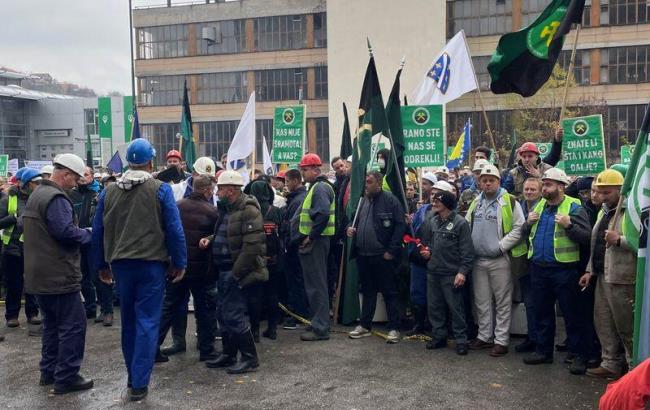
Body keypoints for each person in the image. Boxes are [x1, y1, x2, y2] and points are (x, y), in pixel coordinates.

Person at [92, 139, 187, 401]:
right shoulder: (160, 189)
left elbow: (98, 230)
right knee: (148, 321)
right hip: (151, 265)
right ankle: (139, 383)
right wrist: (179, 262)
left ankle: (133, 376)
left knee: (130, 323)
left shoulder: (107, 192)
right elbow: (174, 229)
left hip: (121, 265)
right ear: (149, 162)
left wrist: (100, 264)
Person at [23, 153, 93, 394]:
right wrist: (88, 234)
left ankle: (49, 372)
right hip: (59, 275)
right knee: (74, 325)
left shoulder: (37, 195)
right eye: (74, 179)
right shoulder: (56, 198)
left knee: (52, 326)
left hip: (38, 274)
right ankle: (67, 377)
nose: (76, 184)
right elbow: (66, 232)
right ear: (65, 175)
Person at [522, 168, 592, 375]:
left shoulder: (574, 207)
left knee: (572, 315)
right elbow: (527, 233)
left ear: (561, 186)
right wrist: (527, 223)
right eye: (544, 184)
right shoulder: (540, 205)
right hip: (539, 269)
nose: (544, 188)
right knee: (542, 312)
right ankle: (544, 351)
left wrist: (569, 226)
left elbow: (587, 238)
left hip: (565, 270)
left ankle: (579, 355)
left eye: (549, 184)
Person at [202, 170, 267, 374]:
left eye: (220, 188)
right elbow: (227, 234)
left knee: (233, 314)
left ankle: (249, 358)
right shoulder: (227, 209)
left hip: (235, 272)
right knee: (223, 313)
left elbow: (252, 247)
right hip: (224, 271)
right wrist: (211, 240)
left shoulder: (248, 210)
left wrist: (236, 274)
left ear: (230, 190)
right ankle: (229, 354)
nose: (216, 191)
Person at [156, 175, 219, 363]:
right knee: (205, 310)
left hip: (177, 267)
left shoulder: (177, 206)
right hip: (202, 270)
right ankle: (206, 350)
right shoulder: (213, 212)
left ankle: (152, 347)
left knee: (168, 308)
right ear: (207, 190)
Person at [466, 165, 526, 357]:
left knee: (502, 301)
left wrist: (501, 246)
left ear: (498, 181)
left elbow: (519, 228)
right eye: (484, 180)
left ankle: (501, 340)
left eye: (491, 180)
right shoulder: (476, 201)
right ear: (479, 183)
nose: (488, 183)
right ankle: (484, 336)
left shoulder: (510, 201)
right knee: (481, 301)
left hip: (500, 259)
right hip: (478, 260)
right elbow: (467, 225)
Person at [582, 169, 636, 379]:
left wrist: (620, 240)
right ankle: (610, 362)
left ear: (620, 190)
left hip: (623, 277)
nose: (602, 197)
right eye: (600, 192)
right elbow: (595, 244)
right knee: (603, 321)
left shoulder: (631, 212)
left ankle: (633, 368)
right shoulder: (603, 212)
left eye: (607, 192)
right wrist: (589, 269)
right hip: (602, 275)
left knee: (626, 325)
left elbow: (643, 244)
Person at [346, 171, 406, 344]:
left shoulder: (390, 201)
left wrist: (391, 251)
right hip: (363, 254)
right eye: (365, 182)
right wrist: (350, 228)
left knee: (389, 291)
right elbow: (354, 221)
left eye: (369, 182)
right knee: (368, 291)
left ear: (378, 183)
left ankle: (394, 328)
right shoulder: (362, 201)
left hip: (382, 255)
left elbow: (399, 226)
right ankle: (365, 325)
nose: (366, 185)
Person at [419, 190, 474, 355]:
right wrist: (428, 251)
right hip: (434, 271)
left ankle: (461, 340)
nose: (434, 203)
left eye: (438, 201)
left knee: (456, 308)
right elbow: (429, 243)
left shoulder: (460, 223)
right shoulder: (433, 221)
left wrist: (462, 272)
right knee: (435, 307)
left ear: (447, 204)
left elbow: (467, 252)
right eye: (434, 201)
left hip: (451, 273)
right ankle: (439, 336)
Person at [294, 153, 335, 341]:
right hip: (317, 241)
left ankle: (320, 328)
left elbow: (323, 214)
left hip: (316, 243)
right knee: (315, 285)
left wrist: (310, 237)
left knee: (316, 285)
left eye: (304, 169)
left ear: (316, 170)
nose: (302, 173)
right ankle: (319, 322)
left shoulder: (319, 188)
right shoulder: (318, 187)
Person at [0, 168, 41, 329]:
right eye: (35, 183)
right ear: (26, 183)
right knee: (14, 283)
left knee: (33, 282)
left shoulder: (37, 199)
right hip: (12, 247)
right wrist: (13, 219)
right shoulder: (7, 199)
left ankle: (33, 313)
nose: (37, 186)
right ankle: (12, 316)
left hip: (32, 247)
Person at [246, 179, 284, 340]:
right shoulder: (276, 211)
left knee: (255, 295)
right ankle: (272, 329)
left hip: (255, 258)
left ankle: (254, 331)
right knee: (272, 294)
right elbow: (282, 232)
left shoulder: (248, 210)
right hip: (274, 259)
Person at [68, 167, 107, 323]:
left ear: (92, 177)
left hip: (95, 240)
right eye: (81, 174)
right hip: (78, 240)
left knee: (98, 275)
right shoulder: (71, 194)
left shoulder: (99, 194)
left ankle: (106, 310)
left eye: (86, 174)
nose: (83, 177)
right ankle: (90, 308)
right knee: (83, 277)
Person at [406, 171, 437, 336]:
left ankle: (434, 325)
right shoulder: (422, 209)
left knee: (434, 295)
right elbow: (413, 230)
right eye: (432, 194)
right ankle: (418, 323)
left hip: (434, 259)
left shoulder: (445, 213)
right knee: (417, 292)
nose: (433, 197)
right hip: (418, 257)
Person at [515, 177, 543, 353]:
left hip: (540, 261)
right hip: (523, 261)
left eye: (533, 189)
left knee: (539, 303)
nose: (529, 192)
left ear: (540, 191)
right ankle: (531, 337)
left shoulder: (544, 206)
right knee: (529, 302)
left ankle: (539, 340)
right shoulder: (519, 205)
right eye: (527, 189)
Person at [280, 169, 309, 330]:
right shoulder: (295, 198)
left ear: (296, 180)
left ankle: (298, 315)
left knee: (296, 282)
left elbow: (293, 224)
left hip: (294, 247)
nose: (286, 185)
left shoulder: (298, 200)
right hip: (293, 246)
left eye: (288, 181)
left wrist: (289, 243)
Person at [503, 130, 563, 198]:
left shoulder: (547, 169)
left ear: (537, 157)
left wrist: (539, 176)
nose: (527, 159)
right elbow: (504, 193)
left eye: (530, 156)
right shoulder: (514, 173)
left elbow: (553, 192)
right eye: (524, 156)